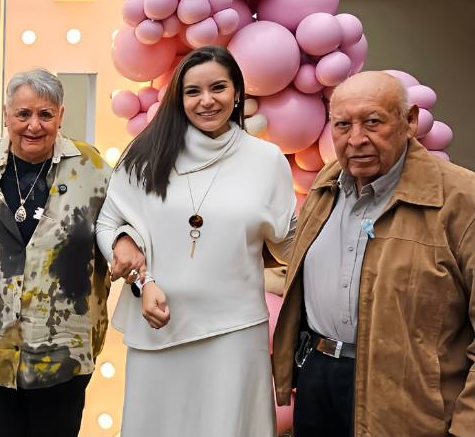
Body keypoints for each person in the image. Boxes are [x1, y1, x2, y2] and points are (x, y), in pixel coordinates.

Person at [96, 46, 295, 437]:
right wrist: (130, 259)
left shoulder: (267, 160)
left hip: (235, 333)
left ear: (237, 92)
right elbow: (109, 223)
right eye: (193, 92)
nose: (207, 101)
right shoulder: (148, 154)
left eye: (218, 87)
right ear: (179, 98)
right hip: (159, 327)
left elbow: (289, 243)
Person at [273, 71, 475, 437]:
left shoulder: (462, 198)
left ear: (409, 121)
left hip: (407, 397)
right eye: (342, 125)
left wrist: (467, 427)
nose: (356, 139)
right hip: (320, 377)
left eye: (372, 122)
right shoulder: (326, 184)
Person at [0, 68, 111, 437]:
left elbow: (120, 226)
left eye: (45, 114)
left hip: (63, 348)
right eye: (23, 114)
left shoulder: (94, 168)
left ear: (60, 115)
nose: (34, 125)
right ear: (7, 114)